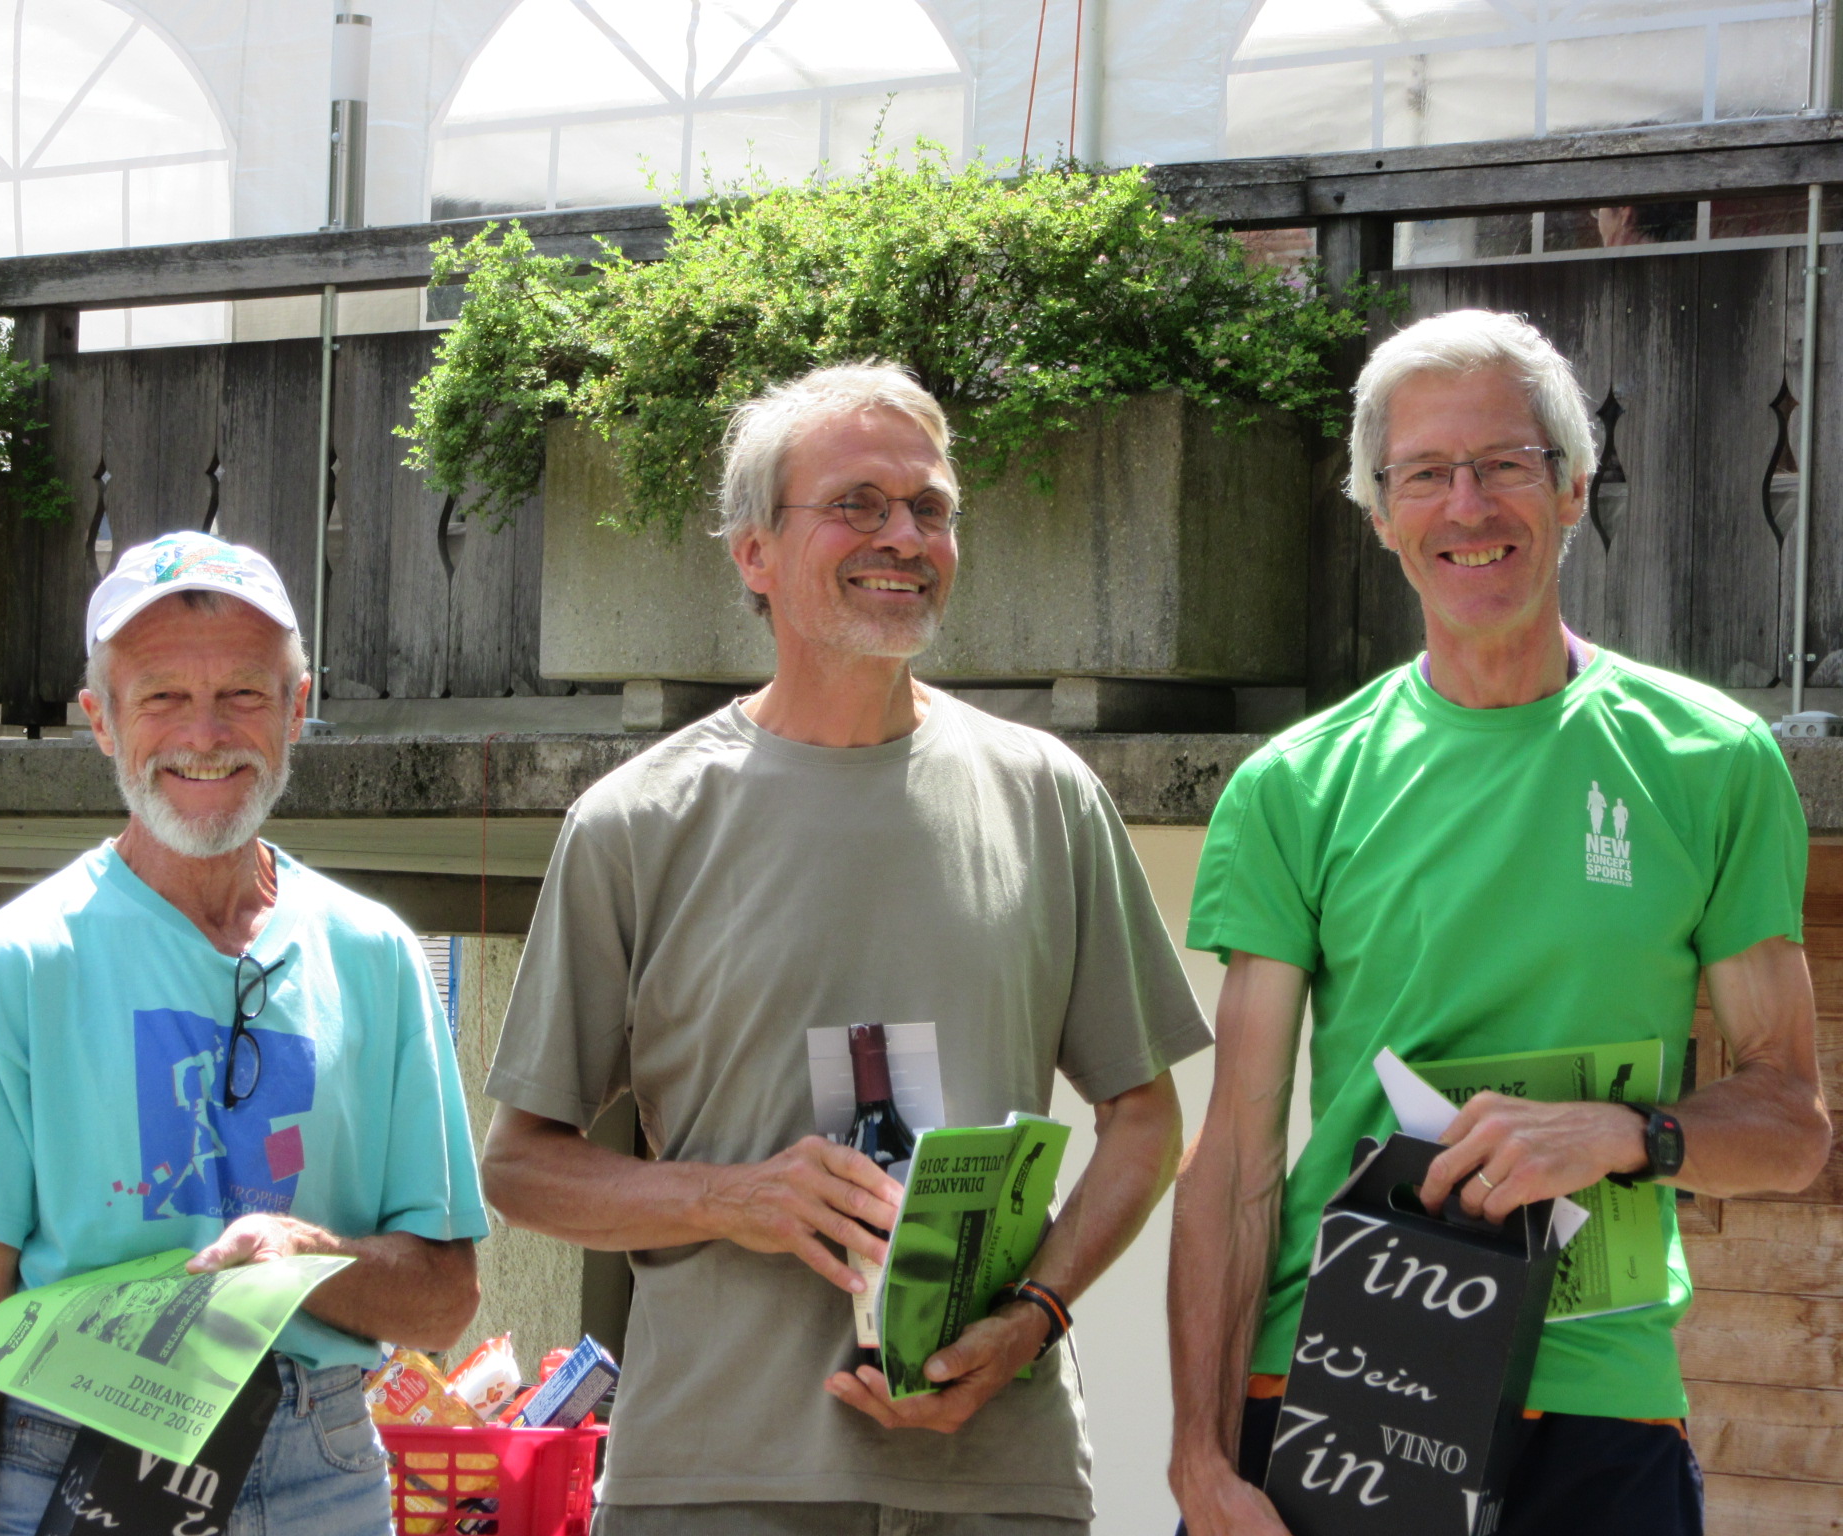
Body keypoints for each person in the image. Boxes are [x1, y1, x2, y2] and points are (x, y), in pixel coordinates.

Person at [481, 362, 1212, 1534]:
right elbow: (519, 1169)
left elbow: (1146, 1121)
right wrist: (734, 1198)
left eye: (928, 507)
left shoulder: (1046, 795)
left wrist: (1033, 1317)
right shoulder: (635, 822)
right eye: (856, 505)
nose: (903, 537)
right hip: (716, 1481)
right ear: (753, 553)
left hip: (998, 1481)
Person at [1168, 309, 1832, 1536]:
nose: (1465, 506)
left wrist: (1622, 1134)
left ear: (1571, 488)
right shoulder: (1294, 785)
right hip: (1337, 1387)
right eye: (1423, 473)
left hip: (1599, 1413)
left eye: (1503, 464)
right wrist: (1199, 1461)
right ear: (1379, 514)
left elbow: (1788, 1126)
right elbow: (1236, 1161)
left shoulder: (1709, 760)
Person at [0, 532, 489, 1536]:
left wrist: (301, 1257)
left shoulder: (375, 956)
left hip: (317, 1464)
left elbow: (444, 1302)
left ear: (296, 708)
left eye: (243, 693)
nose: (205, 733)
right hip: (69, 1456)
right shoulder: (17, 964)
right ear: (100, 720)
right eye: (161, 696)